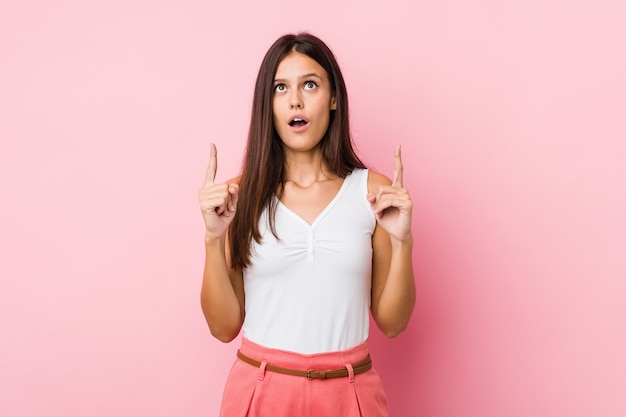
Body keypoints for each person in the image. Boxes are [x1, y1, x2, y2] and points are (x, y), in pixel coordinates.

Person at [198, 32, 415, 417]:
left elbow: (393, 324)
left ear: (333, 99)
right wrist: (213, 239)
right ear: (268, 103)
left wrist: (403, 242)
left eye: (309, 85)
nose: (295, 99)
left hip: (349, 395)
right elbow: (223, 327)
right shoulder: (237, 197)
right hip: (261, 391)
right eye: (280, 87)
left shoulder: (373, 192)